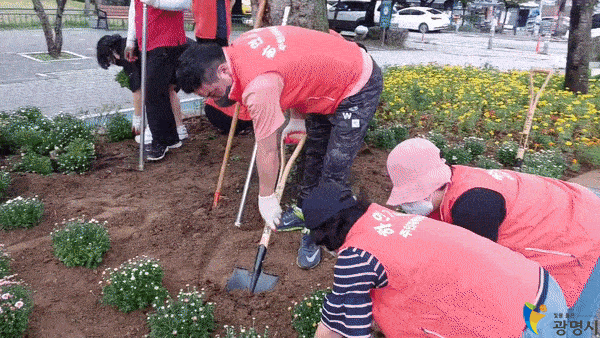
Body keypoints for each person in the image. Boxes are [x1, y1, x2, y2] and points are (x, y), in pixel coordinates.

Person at [176, 25, 383, 269]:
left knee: (334, 168)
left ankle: (323, 230)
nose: (214, 99)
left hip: (357, 83)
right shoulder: (243, 43)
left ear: (223, 70)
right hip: (328, 80)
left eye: (213, 91)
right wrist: (297, 116)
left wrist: (266, 197)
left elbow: (268, 148)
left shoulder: (259, 88)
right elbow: (297, 64)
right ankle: (306, 210)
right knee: (314, 152)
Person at [385, 137, 600, 336]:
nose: (408, 205)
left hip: (585, 233)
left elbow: (480, 278)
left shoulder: (474, 208)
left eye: (412, 197)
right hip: (572, 208)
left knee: (568, 324)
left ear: (430, 188)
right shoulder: (455, 181)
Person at [302, 181, 567, 338]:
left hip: (519, 324)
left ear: (325, 235)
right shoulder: (387, 218)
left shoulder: (356, 258)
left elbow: (348, 331)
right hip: (542, 287)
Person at [125, 0, 188, 161]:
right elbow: (135, 9)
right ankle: (170, 138)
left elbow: (185, 2)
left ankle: (159, 141)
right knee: (158, 91)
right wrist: (130, 40)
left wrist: (155, 2)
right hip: (147, 41)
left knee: (152, 90)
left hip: (167, 41)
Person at [95, 34, 188, 142]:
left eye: (110, 61)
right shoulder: (129, 44)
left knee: (153, 93)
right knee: (169, 90)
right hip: (177, 50)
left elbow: (137, 90)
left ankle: (155, 132)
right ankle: (180, 129)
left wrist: (137, 119)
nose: (115, 64)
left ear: (111, 52)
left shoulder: (126, 52)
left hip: (168, 54)